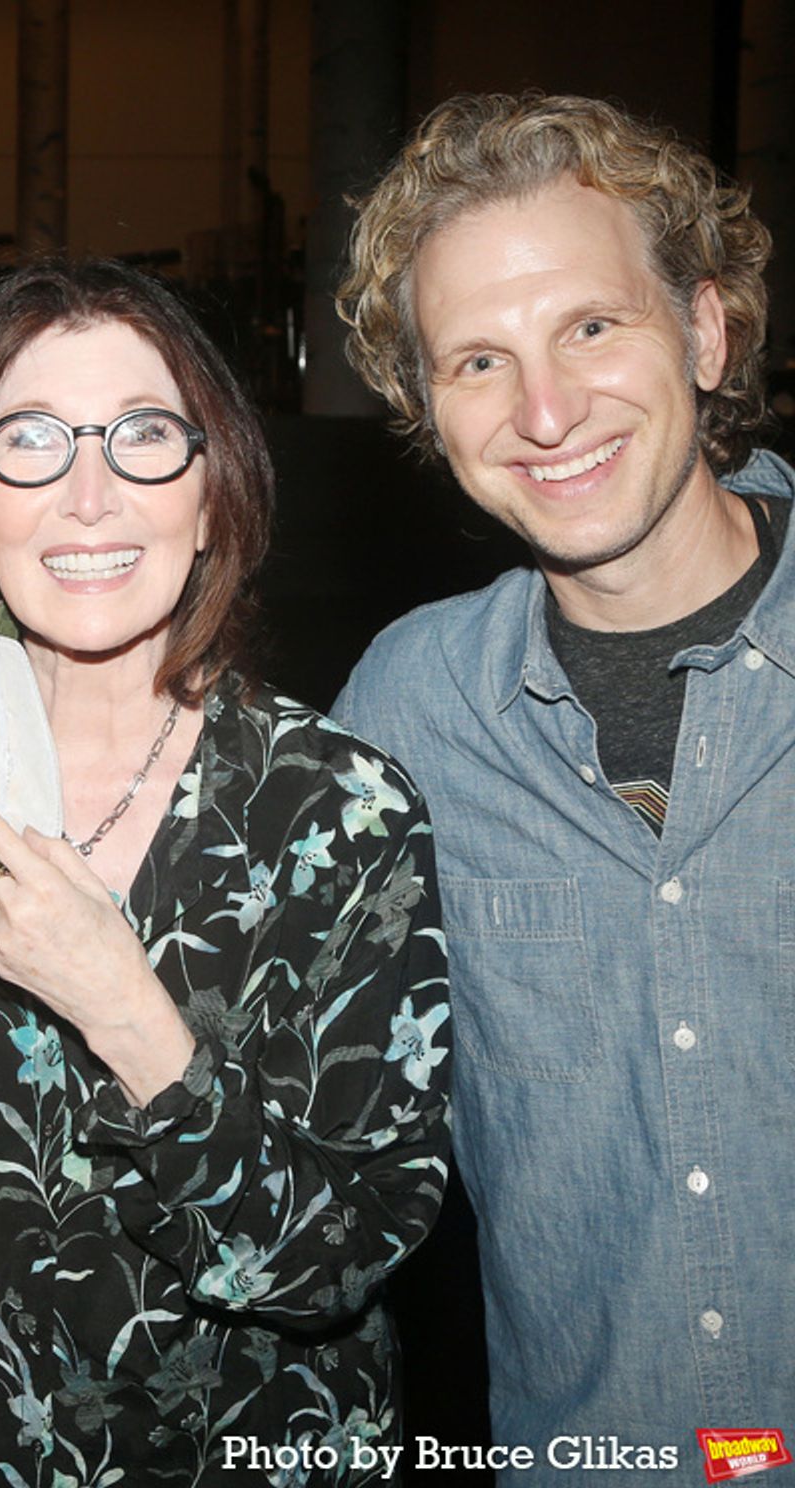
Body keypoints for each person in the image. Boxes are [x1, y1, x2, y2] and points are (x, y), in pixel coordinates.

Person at [0, 258, 451, 1486]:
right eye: (31, 441)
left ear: (214, 495)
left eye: (145, 436)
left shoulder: (342, 812)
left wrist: (132, 1017)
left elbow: (346, 1260)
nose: (89, 498)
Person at [334, 91, 795, 1482]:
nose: (546, 410)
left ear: (706, 332)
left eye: (592, 327)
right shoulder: (409, 711)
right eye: (478, 361)